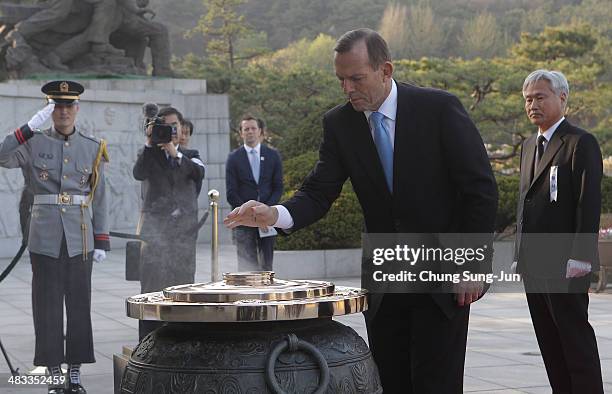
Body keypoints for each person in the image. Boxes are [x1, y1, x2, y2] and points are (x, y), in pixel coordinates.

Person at [224, 28, 498, 393]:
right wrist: (275, 214)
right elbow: (319, 192)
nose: (348, 89)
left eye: (356, 78)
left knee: (438, 384)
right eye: (341, 80)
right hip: (385, 282)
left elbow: (480, 189)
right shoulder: (339, 124)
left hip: (442, 276)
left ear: (385, 70)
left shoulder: (439, 108)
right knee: (388, 380)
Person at [0, 81, 110, 394]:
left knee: (79, 305)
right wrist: (27, 128)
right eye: (56, 106)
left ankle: (74, 374)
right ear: (49, 111)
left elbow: (98, 197)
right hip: (44, 237)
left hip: (80, 237)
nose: (62, 112)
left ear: (77, 109)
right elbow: (1, 155)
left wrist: (101, 240)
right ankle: (52, 374)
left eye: (68, 106)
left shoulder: (92, 147)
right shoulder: (33, 143)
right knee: (46, 306)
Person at [514, 70, 604, 393]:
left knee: (573, 339)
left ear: (562, 98)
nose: (532, 104)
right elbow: (525, 201)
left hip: (566, 262)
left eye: (540, 97)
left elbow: (588, 203)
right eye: (528, 99)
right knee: (549, 342)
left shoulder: (580, 143)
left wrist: (581, 257)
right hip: (533, 264)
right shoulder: (528, 146)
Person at [132, 106, 205, 340]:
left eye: (175, 126)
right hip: (155, 237)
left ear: (182, 127)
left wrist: (175, 153)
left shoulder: (191, 155)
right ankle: (148, 344)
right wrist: (149, 140)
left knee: (184, 291)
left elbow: (197, 173)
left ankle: (182, 344)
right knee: (151, 291)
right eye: (167, 126)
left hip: (183, 237)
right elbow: (138, 173)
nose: (172, 130)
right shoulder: (149, 154)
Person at [226, 116, 283, 271]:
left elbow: (278, 187)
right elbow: (231, 192)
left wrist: (266, 211)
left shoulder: (273, 155)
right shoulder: (233, 158)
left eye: (253, 128)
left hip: (268, 219)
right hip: (243, 220)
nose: (250, 132)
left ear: (260, 132)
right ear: (241, 133)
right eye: (246, 129)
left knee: (267, 266)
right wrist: (249, 215)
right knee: (246, 268)